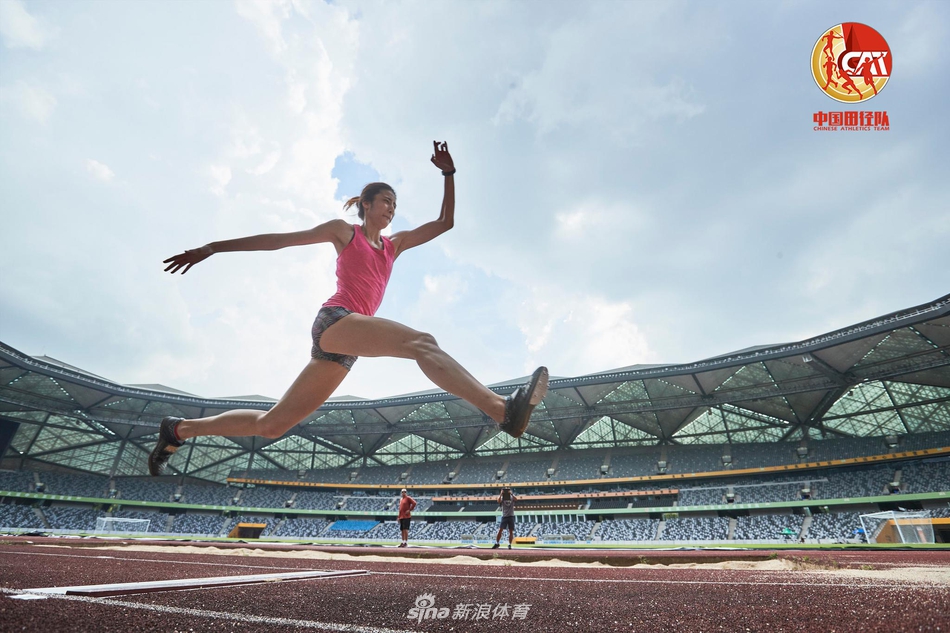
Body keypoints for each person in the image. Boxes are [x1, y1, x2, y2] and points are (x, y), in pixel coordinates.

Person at [149, 141, 548, 476]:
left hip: (346, 346)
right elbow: (280, 241)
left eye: (395, 204)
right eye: (386, 202)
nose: (391, 209)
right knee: (422, 343)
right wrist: (214, 247)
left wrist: (449, 174)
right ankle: (501, 410)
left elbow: (445, 222)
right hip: (336, 322)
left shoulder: (395, 245)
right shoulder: (345, 233)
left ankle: (179, 430)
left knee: (271, 424)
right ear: (367, 204)